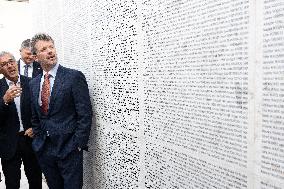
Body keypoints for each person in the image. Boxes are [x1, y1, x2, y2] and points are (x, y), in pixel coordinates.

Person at [30, 33, 92, 189]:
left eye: (51, 46)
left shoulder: (73, 77)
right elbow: (35, 116)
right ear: (36, 57)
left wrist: (78, 144)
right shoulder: (33, 84)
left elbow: (84, 114)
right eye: (44, 49)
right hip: (45, 150)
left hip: (69, 149)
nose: (50, 51)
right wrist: (39, 142)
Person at [0, 51, 42, 189]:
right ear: (0, 69)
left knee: (35, 180)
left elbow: (41, 111)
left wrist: (35, 128)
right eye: (4, 64)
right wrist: (4, 101)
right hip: (9, 143)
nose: (10, 66)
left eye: (11, 61)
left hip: (30, 139)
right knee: (12, 183)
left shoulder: (31, 83)